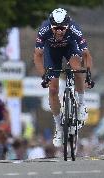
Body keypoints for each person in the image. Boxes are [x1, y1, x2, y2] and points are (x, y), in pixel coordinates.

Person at [33, 8, 94, 147]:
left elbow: (86, 54)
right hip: (52, 53)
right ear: (51, 26)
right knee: (53, 89)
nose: (59, 31)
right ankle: (59, 129)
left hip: (70, 48)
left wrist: (88, 75)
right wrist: (44, 76)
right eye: (56, 28)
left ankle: (81, 104)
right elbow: (37, 56)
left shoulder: (74, 28)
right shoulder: (44, 30)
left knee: (77, 69)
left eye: (62, 28)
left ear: (68, 25)